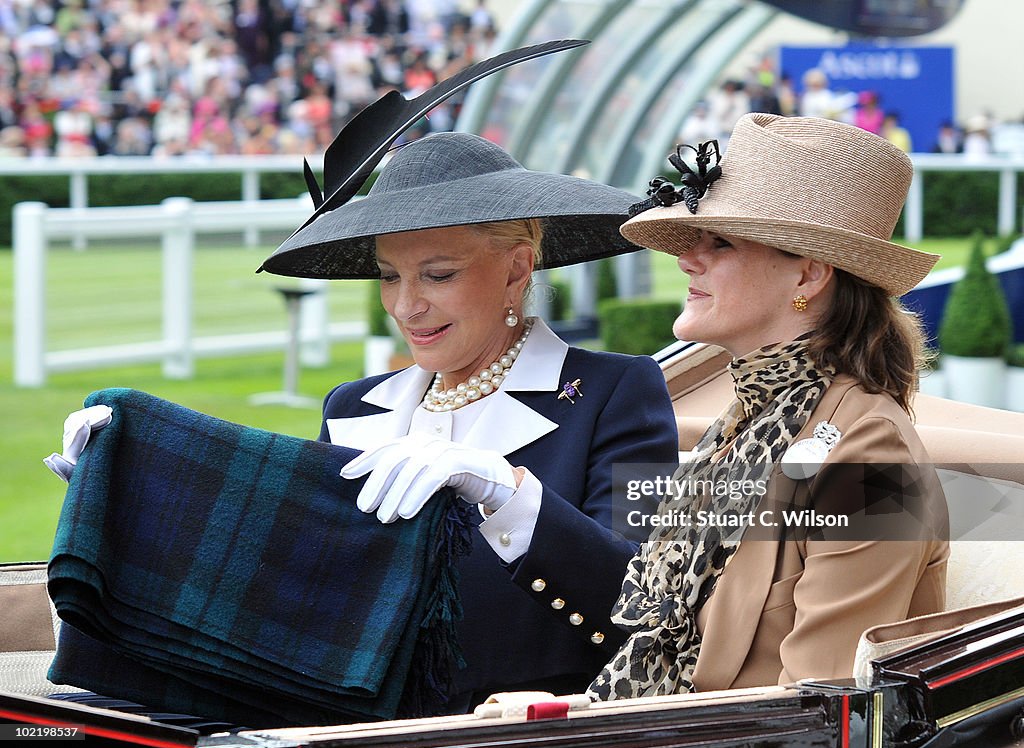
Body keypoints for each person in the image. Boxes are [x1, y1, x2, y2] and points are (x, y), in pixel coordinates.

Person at [264, 130, 680, 712]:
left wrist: (508, 496)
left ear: (516, 270)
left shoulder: (613, 393)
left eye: (437, 275)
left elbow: (648, 603)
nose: (406, 306)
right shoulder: (351, 407)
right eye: (389, 275)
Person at [588, 112, 949, 700]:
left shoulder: (868, 449)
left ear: (808, 273)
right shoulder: (747, 421)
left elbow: (816, 713)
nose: (687, 259)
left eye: (720, 242)